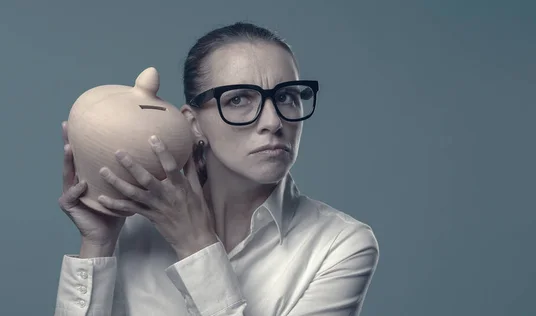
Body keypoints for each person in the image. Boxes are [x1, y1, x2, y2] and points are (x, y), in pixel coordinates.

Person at [54, 22, 379, 316]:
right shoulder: (132, 226)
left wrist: (194, 245)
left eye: (288, 97)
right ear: (192, 124)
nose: (274, 122)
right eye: (239, 99)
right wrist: (97, 244)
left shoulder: (341, 244)